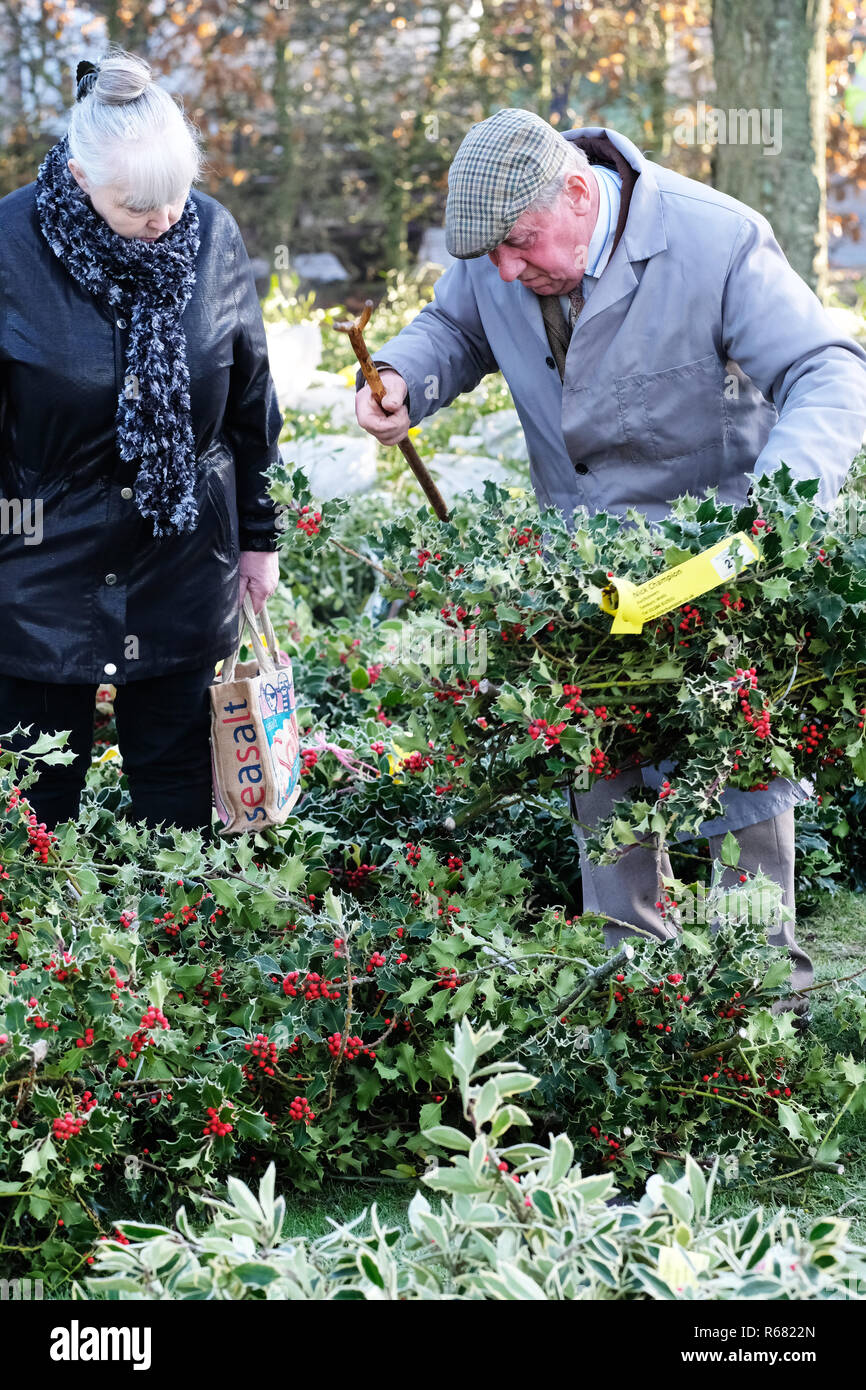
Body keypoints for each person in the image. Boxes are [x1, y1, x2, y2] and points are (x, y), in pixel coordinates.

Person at [355, 107, 866, 1021]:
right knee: (603, 774)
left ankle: (761, 1007)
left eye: (519, 245)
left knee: (740, 779)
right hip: (585, 576)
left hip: (714, 572)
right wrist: (402, 376)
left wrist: (777, 513)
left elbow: (827, 370)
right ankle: (631, 997)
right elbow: (454, 327)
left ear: (579, 195)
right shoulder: (501, 250)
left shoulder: (715, 241)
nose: (505, 270)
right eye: (492, 254)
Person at [0, 47, 283, 834]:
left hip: (183, 559)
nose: (164, 222)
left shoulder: (213, 236)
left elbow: (251, 406)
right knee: (34, 800)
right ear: (80, 177)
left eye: (175, 198)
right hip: (38, 565)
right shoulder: (9, 248)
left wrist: (259, 538)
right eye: (138, 207)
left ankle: (180, 914)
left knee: (181, 794)